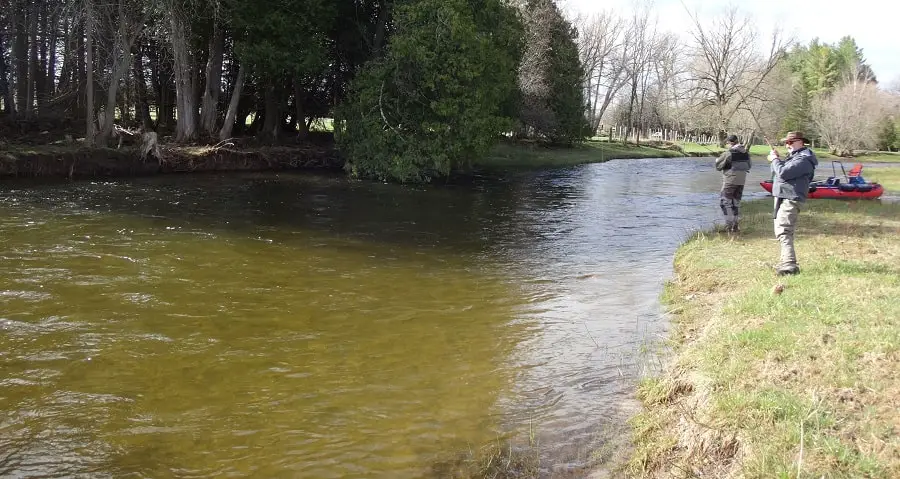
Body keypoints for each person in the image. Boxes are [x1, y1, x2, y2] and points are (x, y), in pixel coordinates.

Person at [767, 131, 818, 276]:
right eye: (786, 142)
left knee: (784, 230)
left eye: (791, 142)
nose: (787, 145)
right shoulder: (795, 157)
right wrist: (775, 159)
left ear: (801, 142)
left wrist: (775, 160)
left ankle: (789, 265)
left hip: (790, 198)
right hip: (784, 196)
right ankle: (786, 262)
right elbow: (777, 173)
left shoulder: (804, 159)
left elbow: (783, 173)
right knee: (781, 230)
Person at [715, 134, 752, 233]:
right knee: (735, 203)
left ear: (730, 143)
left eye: (727, 143)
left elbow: (718, 166)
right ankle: (735, 226)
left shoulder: (728, 153)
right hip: (741, 181)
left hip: (730, 181)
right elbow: (749, 166)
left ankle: (729, 226)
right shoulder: (745, 153)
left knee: (724, 202)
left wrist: (717, 160)